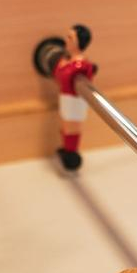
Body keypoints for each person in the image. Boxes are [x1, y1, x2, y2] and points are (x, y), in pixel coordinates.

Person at [52, 24, 97, 170]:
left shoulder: (81, 65)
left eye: (70, 37)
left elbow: (64, 75)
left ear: (79, 42)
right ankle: (66, 149)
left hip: (75, 100)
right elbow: (58, 75)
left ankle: (71, 155)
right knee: (65, 124)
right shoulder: (69, 61)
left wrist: (63, 66)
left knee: (72, 128)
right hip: (66, 97)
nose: (66, 40)